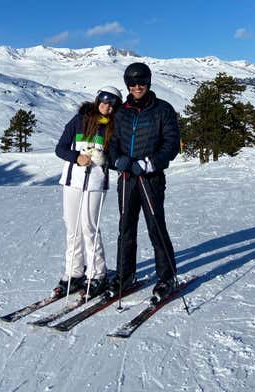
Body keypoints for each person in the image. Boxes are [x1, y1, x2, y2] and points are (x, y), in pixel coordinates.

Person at [108, 62, 181, 300]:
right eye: (132, 83)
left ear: (148, 82)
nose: (137, 87)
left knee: (155, 226)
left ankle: (166, 276)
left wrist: (150, 163)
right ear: (127, 85)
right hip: (127, 177)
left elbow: (171, 144)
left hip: (150, 178)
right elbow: (113, 142)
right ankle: (125, 275)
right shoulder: (121, 112)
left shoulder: (162, 110)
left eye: (141, 82)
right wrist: (117, 160)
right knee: (125, 228)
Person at [55, 86, 123, 298]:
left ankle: (97, 274)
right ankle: (74, 273)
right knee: (72, 227)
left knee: (88, 227)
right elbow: (60, 148)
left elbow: (115, 158)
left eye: (112, 104)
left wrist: (106, 160)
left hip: (95, 182)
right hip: (72, 180)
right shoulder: (79, 120)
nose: (107, 106)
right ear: (97, 100)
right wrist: (76, 157)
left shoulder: (114, 127)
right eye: (104, 101)